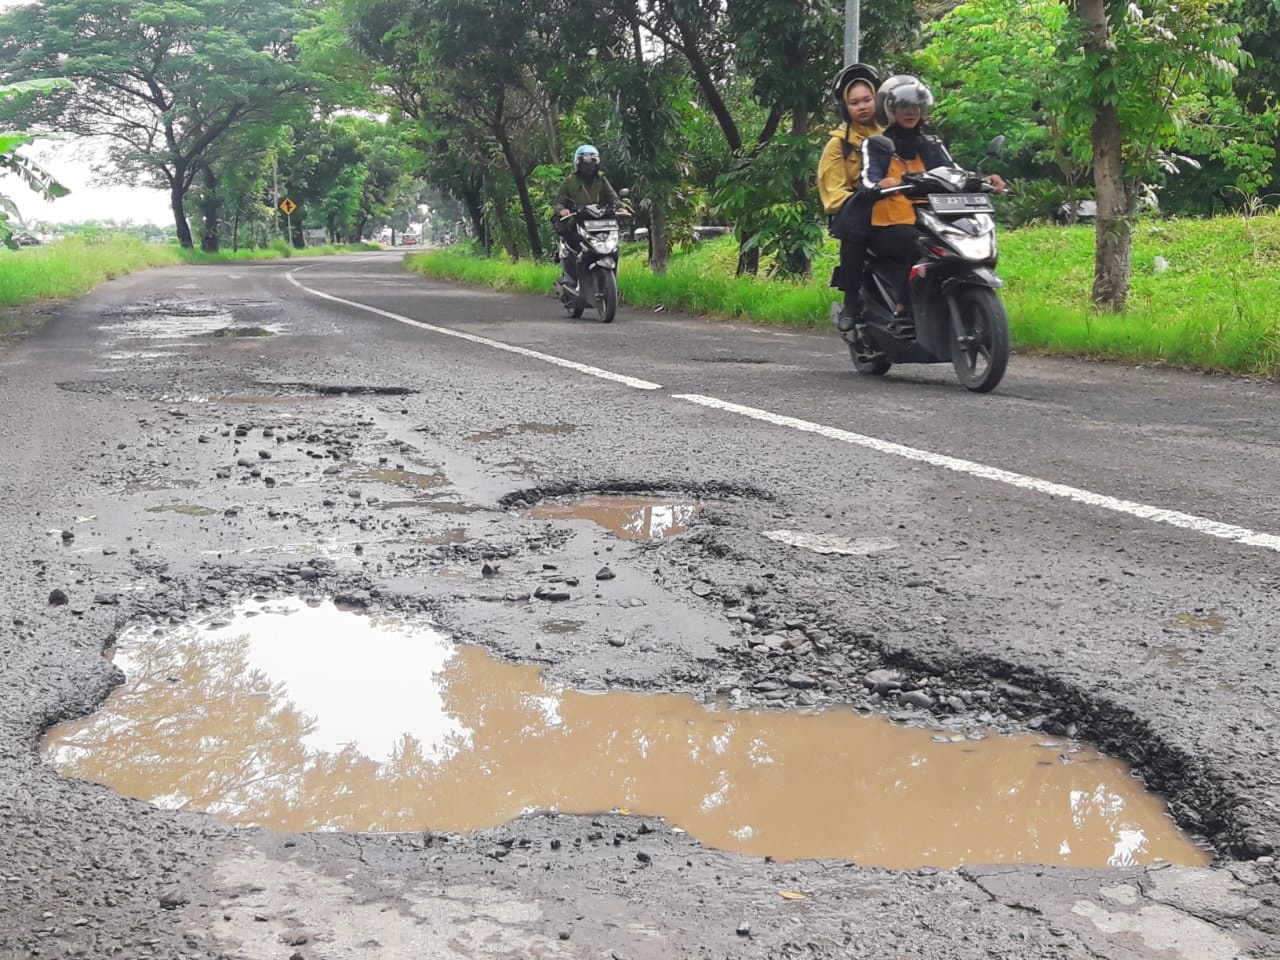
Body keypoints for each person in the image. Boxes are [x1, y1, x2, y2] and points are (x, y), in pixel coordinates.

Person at [862, 75, 1006, 316]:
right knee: (919, 245)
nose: (911, 112)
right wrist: (880, 184)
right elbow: (868, 177)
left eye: (916, 107)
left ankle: (955, 300)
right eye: (904, 107)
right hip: (891, 220)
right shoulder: (877, 144)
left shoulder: (931, 144)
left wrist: (984, 181)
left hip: (932, 216)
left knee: (961, 241)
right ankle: (904, 306)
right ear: (891, 111)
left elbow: (954, 173)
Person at [816, 63, 883, 330]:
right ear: (846, 107)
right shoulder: (838, 144)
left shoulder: (895, 132)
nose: (863, 106)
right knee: (854, 224)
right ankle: (851, 303)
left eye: (867, 99)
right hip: (860, 207)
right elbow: (833, 193)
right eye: (854, 102)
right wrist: (864, 198)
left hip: (899, 204)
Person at [554, 144, 620, 279]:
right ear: (578, 164)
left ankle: (612, 280)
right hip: (578, 221)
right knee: (571, 242)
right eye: (585, 164)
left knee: (614, 248)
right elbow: (560, 201)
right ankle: (572, 276)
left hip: (601, 222)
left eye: (592, 164)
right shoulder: (570, 181)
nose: (589, 167)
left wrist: (620, 207)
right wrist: (562, 210)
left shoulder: (601, 180)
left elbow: (613, 197)